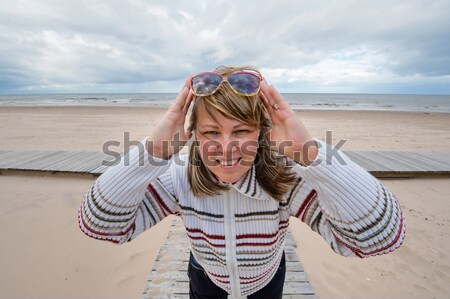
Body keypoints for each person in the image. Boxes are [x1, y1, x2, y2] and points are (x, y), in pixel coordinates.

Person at [78, 65, 406, 299]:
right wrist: (153, 151)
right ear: (192, 135)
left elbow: (378, 238)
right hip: (206, 278)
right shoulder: (180, 177)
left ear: (262, 132)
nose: (226, 148)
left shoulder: (284, 178)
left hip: (266, 280)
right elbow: (101, 225)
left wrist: (309, 153)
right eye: (210, 132)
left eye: (240, 131)